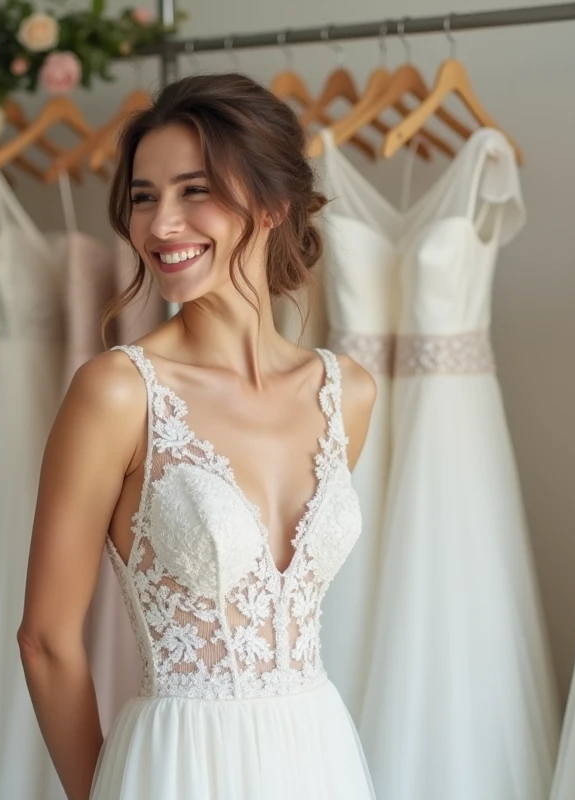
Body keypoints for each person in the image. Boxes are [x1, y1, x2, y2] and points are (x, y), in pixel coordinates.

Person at [19, 73, 377, 800]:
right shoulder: (119, 393)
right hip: (175, 765)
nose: (160, 226)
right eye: (144, 197)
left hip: (318, 753)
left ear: (275, 205)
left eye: (195, 191)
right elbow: (46, 642)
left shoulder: (348, 393)